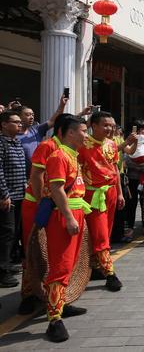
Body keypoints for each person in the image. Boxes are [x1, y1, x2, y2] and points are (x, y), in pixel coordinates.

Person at [43, 115, 91, 342]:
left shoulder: (73, 155)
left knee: (69, 265)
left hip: (76, 213)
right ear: (70, 133)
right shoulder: (58, 156)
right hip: (64, 216)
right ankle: (54, 320)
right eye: (83, 130)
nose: (86, 135)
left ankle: (62, 304)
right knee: (60, 267)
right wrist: (70, 217)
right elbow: (57, 190)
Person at [17, 113, 72, 313]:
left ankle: (57, 298)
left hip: (54, 205)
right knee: (33, 247)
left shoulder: (68, 150)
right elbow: (37, 175)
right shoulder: (48, 146)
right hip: (37, 205)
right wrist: (42, 201)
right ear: (64, 131)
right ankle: (29, 294)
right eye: (78, 131)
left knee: (54, 253)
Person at [78, 111, 124, 292]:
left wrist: (120, 193)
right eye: (105, 125)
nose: (110, 128)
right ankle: (110, 273)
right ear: (93, 126)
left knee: (106, 231)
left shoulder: (112, 144)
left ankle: (96, 266)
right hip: (92, 195)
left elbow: (115, 169)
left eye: (112, 125)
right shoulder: (83, 144)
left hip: (110, 192)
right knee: (99, 234)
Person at [0, 110, 26, 288]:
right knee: (6, 234)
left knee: (15, 232)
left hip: (20, 195)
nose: (20, 125)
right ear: (4, 124)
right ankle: (2, 272)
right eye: (16, 122)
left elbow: (21, 169)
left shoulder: (16, 142)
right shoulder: (1, 143)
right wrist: (4, 194)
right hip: (7, 197)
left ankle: (8, 264)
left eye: (20, 122)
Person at [14, 95, 69, 174]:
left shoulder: (36, 130)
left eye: (32, 115)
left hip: (37, 175)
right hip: (20, 176)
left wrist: (62, 105)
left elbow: (53, 121)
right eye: (27, 115)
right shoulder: (11, 135)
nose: (31, 117)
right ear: (19, 117)